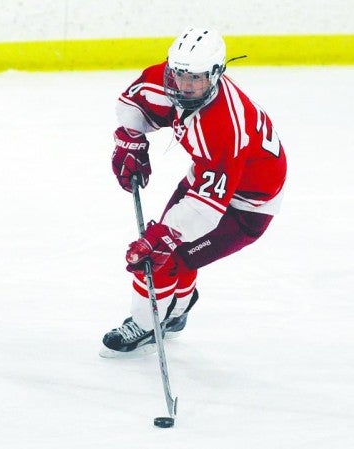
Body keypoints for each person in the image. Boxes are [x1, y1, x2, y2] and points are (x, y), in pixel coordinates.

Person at [100, 26, 287, 358]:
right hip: (210, 176)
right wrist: (129, 139)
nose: (183, 85)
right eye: (178, 75)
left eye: (195, 79)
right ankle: (176, 310)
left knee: (165, 254)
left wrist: (166, 235)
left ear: (216, 75)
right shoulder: (167, 78)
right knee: (173, 253)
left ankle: (146, 323)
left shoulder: (224, 125)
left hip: (249, 204)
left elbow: (208, 208)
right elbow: (134, 103)